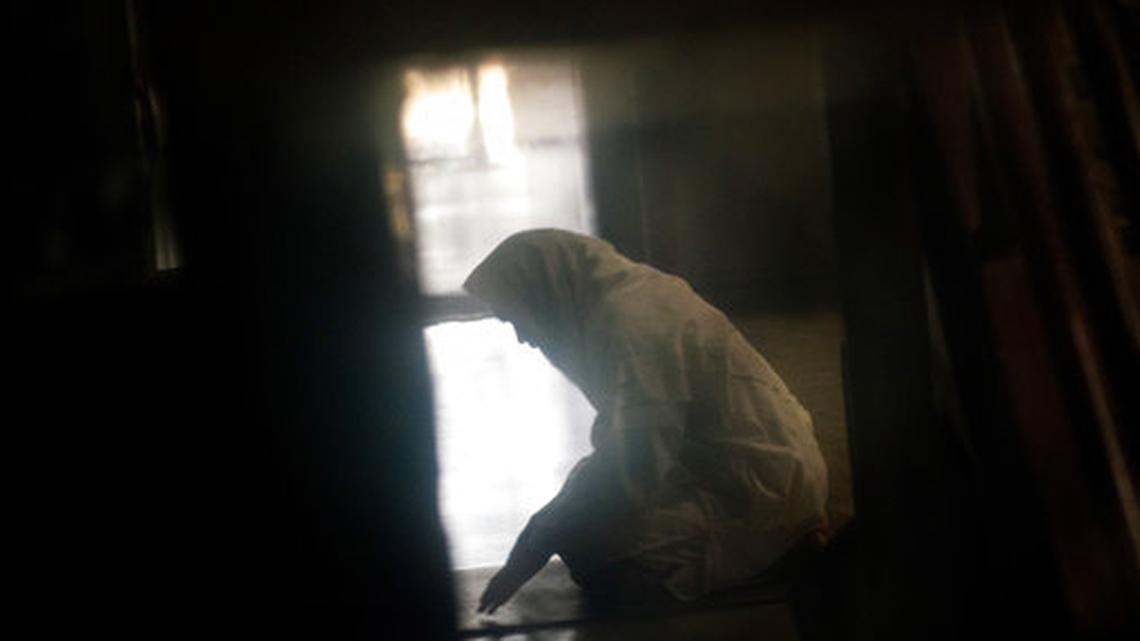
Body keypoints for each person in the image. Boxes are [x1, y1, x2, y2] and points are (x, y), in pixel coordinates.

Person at [464, 229, 829, 614]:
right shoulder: (625, 302)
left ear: (542, 292)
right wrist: (552, 525)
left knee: (593, 552)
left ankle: (784, 549)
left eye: (516, 318)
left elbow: (633, 467)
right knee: (581, 521)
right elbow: (630, 446)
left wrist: (537, 539)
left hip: (763, 491)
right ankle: (780, 543)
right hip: (752, 470)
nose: (523, 337)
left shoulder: (629, 323)